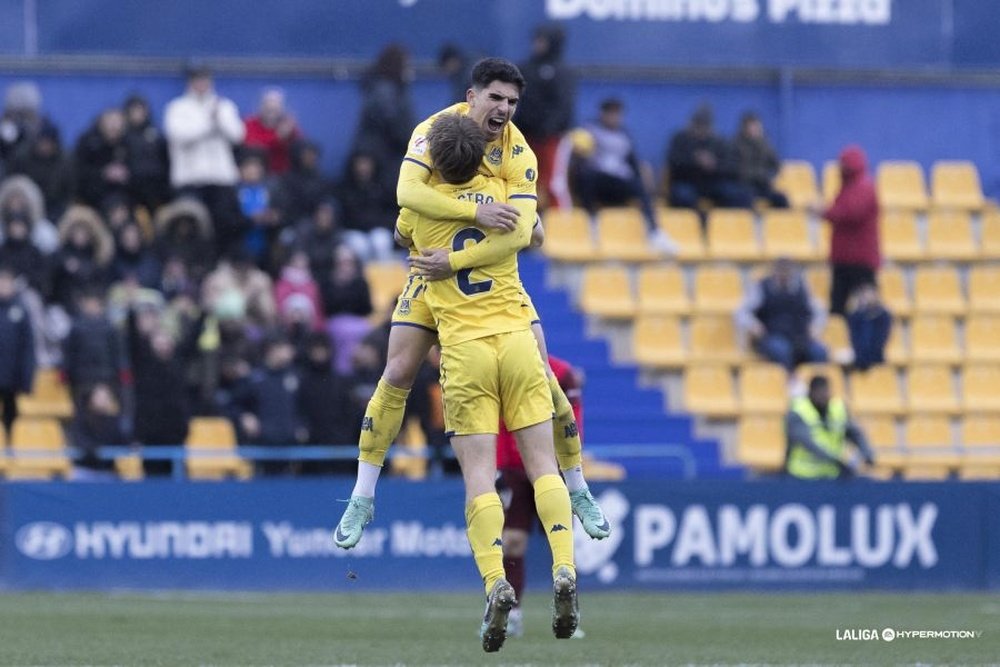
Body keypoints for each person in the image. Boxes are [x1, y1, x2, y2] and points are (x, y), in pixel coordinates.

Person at [335, 58, 607, 555]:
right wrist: (476, 211)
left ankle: (578, 484)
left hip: (479, 274)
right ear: (472, 96)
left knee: (546, 376)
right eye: (496, 98)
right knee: (396, 370)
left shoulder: (518, 148)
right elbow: (405, 194)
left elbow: (525, 230)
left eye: (512, 102)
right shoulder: (437, 131)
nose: (504, 109)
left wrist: (458, 251)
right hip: (432, 274)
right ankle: (362, 495)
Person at [397, 114, 578, 651]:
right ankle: (565, 567)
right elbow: (534, 232)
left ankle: (496, 581)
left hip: (465, 351)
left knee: (480, 478)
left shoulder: (419, 211)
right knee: (545, 465)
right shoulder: (504, 195)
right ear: (482, 158)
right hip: (519, 340)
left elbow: (403, 220)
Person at [497, 353, 581, 638]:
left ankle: (568, 615)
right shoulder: (505, 369)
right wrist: (501, 464)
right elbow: (498, 422)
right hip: (516, 470)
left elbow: (573, 420)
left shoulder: (562, 372)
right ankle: (513, 614)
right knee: (512, 542)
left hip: (552, 470)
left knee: (562, 544)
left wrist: (569, 463)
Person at [164, 63, 246, 256]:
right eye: (197, 80)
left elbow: (238, 135)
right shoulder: (177, 107)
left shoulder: (224, 106)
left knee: (224, 225)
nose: (202, 84)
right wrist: (209, 123)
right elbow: (179, 135)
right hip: (190, 180)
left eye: (205, 79)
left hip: (221, 179)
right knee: (192, 227)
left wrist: (219, 120)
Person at [573, 98, 674, 253]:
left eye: (617, 114)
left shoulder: (624, 136)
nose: (614, 117)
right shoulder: (589, 131)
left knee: (639, 185)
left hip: (618, 182)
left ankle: (654, 231)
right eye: (610, 113)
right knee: (587, 176)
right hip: (598, 180)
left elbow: (633, 163)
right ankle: (592, 222)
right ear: (602, 114)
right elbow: (579, 159)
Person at [516, 25, 575, 209]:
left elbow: (564, 106)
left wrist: (548, 128)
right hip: (526, 136)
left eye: (542, 40)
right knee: (521, 182)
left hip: (553, 138)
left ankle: (564, 231)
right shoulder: (524, 68)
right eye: (537, 40)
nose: (538, 44)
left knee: (554, 184)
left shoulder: (563, 71)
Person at [736, 258, 827, 372]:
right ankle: (789, 384)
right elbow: (742, 312)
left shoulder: (802, 288)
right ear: (774, 271)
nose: (784, 275)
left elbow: (819, 310)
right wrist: (754, 325)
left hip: (801, 337)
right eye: (781, 271)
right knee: (781, 350)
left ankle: (816, 386)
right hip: (772, 336)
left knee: (819, 352)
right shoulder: (762, 287)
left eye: (787, 271)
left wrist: (816, 327)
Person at [822, 145, 880, 317]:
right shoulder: (850, 187)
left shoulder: (862, 188)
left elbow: (851, 214)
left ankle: (866, 340)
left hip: (859, 258)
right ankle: (840, 340)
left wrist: (824, 212)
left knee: (866, 307)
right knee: (838, 308)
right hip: (845, 257)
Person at [351, 44, 415, 199]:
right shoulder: (386, 91)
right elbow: (394, 124)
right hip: (385, 160)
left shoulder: (380, 89)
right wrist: (414, 142)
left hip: (382, 157)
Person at [666, 104, 754, 212]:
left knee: (740, 195)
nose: (701, 131)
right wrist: (695, 161)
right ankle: (695, 224)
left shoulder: (719, 142)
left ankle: (724, 224)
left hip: (713, 183)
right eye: (698, 126)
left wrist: (713, 164)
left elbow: (732, 168)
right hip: (688, 182)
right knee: (681, 194)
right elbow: (673, 163)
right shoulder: (680, 139)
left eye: (705, 127)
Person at [785, 375, 875, 480]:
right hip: (802, 476)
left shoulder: (838, 408)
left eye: (826, 391)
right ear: (812, 392)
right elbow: (809, 444)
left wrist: (867, 454)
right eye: (820, 392)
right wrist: (835, 460)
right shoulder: (798, 411)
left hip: (832, 475)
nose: (824, 395)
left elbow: (854, 433)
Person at [6, 124, 74, 221]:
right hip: (24, 207)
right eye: (42, 142)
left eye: (48, 143)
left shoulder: (65, 163)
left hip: (55, 210)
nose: (45, 146)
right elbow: (13, 184)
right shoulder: (21, 158)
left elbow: (69, 192)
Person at [0, 264, 36, 437]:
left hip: (11, 378)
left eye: (6, 283)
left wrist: (26, 378)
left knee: (11, 417)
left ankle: (12, 451)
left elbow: (28, 346)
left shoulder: (21, 309)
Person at [75, 108, 131, 210]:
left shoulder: (129, 144)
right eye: (110, 122)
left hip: (124, 201)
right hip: (91, 201)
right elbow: (79, 175)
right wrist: (104, 174)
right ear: (102, 123)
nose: (114, 126)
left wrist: (126, 175)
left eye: (118, 122)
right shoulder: (88, 144)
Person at [122, 94, 171, 213]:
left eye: (140, 110)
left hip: (156, 188)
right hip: (131, 188)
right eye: (134, 110)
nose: (137, 114)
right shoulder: (123, 136)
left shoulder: (157, 135)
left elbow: (166, 159)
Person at [734, 111, 788, 208]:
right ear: (745, 128)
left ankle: (776, 223)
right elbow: (735, 168)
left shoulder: (765, 145)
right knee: (744, 199)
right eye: (751, 126)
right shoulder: (736, 145)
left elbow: (775, 165)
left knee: (781, 199)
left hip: (763, 184)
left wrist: (769, 177)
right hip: (745, 185)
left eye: (756, 126)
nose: (755, 129)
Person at [243, 87, 301, 175]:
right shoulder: (249, 124)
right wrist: (278, 137)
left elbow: (299, 150)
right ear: (260, 106)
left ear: (282, 108)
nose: (271, 110)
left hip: (284, 175)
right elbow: (254, 149)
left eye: (275, 108)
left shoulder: (288, 125)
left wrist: (290, 134)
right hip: (257, 176)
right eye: (268, 108)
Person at [846, 283, 892, 371]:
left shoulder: (883, 316)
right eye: (864, 294)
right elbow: (856, 339)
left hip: (877, 357)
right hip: (860, 358)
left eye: (869, 293)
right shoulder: (856, 316)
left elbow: (880, 340)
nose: (867, 297)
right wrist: (860, 312)